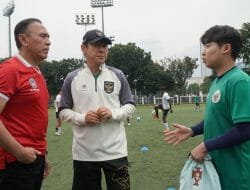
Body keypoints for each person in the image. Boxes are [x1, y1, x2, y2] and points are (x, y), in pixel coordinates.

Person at [164, 25, 250, 190]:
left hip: (236, 174)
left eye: (208, 45)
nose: (203, 52)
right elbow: (218, 118)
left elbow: (245, 128)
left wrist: (205, 146)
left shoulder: (239, 81)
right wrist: (192, 130)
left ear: (226, 48)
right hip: (216, 169)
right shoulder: (217, 82)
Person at [59, 29, 135, 190]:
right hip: (84, 154)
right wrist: (82, 118)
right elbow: (63, 110)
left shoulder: (118, 75)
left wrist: (113, 113)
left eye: (105, 46)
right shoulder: (72, 77)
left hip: (116, 152)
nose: (102, 50)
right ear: (83, 48)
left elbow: (130, 105)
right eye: (96, 45)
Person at [0, 18, 51, 190]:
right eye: (43, 36)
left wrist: (44, 155)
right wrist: (18, 151)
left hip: (34, 157)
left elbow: (34, 119)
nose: (48, 41)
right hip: (15, 162)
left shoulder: (36, 72)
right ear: (23, 39)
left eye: (48, 37)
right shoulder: (10, 69)